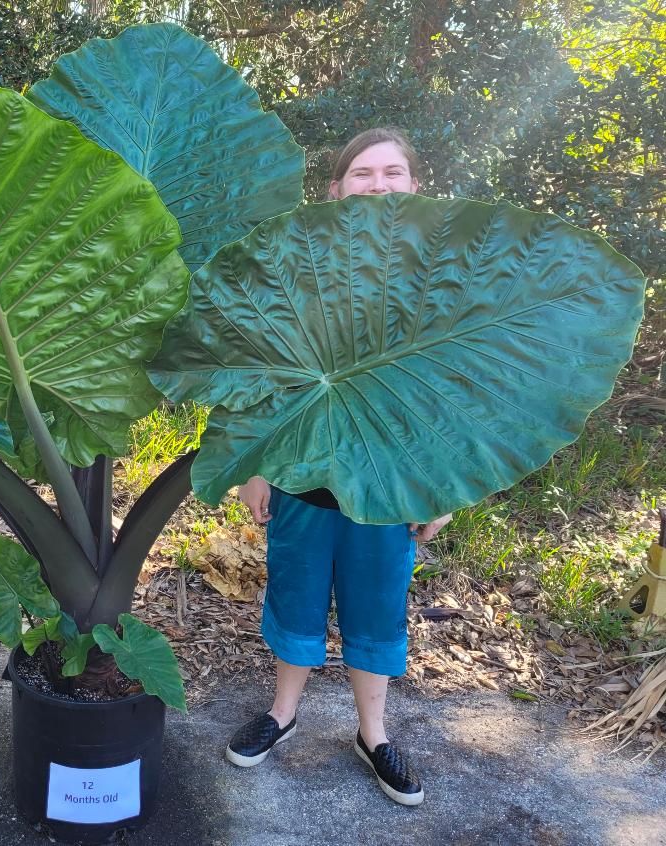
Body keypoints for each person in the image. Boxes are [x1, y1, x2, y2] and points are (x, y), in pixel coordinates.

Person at [224, 127, 453, 807]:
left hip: (388, 487)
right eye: (362, 173)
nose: (377, 185)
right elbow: (265, 370)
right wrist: (256, 465)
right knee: (294, 596)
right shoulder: (301, 268)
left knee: (376, 607)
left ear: (414, 186)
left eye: (392, 173)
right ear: (335, 189)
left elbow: (450, 396)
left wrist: (441, 487)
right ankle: (283, 713)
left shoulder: (437, 279)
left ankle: (373, 735)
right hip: (303, 477)